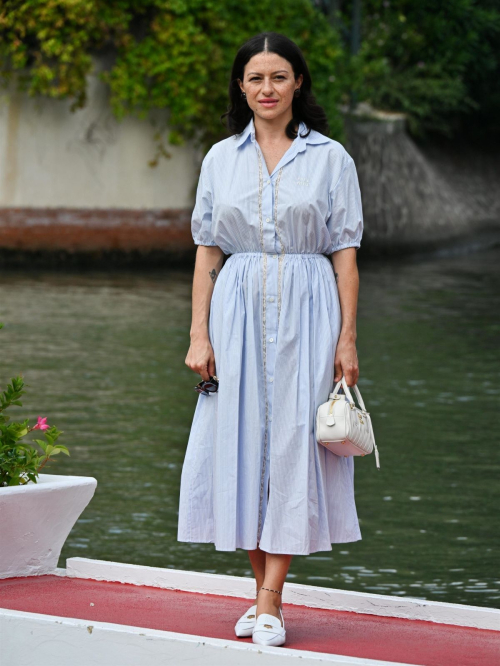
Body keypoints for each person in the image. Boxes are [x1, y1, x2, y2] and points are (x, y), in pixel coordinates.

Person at [178, 31, 363, 647]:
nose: (267, 89)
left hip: (310, 307)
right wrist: (198, 332)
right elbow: (208, 249)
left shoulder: (331, 158)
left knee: (291, 444)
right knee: (238, 445)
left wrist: (348, 339)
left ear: (298, 83)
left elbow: (345, 256)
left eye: (278, 77)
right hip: (235, 305)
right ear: (241, 85)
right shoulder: (219, 157)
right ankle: (265, 601)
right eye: (255, 78)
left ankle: (269, 603)